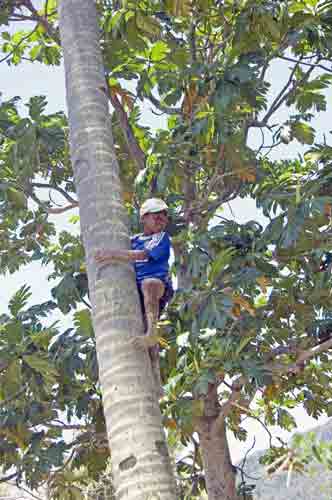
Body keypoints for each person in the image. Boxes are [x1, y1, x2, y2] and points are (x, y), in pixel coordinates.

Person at [95, 198, 173, 394]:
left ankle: (152, 332)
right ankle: (156, 379)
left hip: (157, 286)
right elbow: (128, 247)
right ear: (144, 218)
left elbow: (143, 255)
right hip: (135, 292)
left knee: (149, 284)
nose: (161, 219)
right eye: (156, 216)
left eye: (164, 216)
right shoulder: (134, 239)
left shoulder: (161, 237)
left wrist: (112, 254)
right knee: (145, 338)